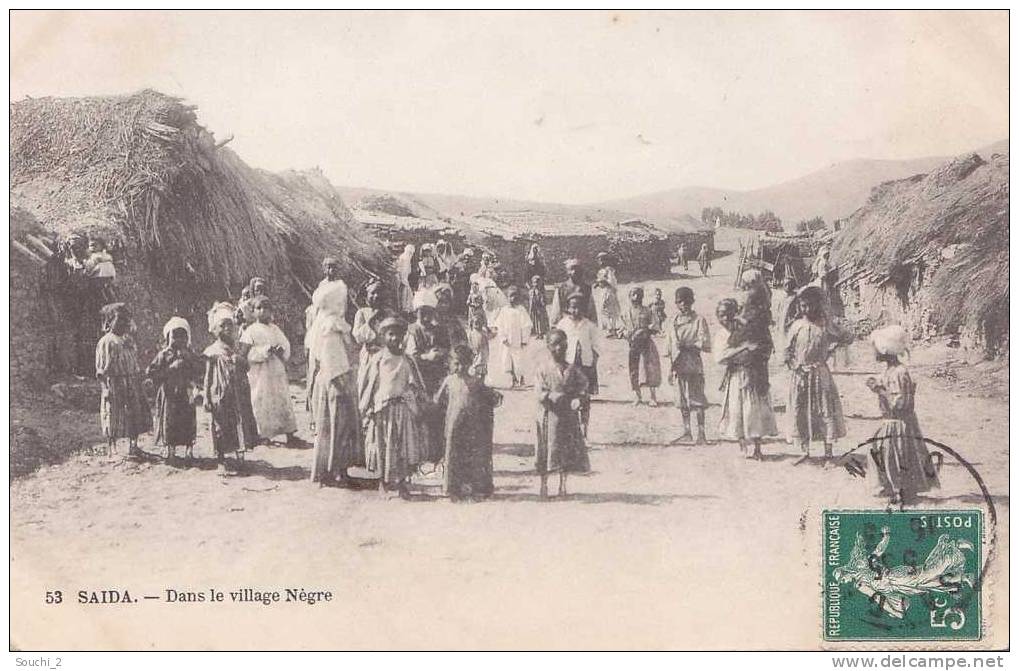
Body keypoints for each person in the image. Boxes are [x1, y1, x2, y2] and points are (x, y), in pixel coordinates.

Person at [866, 325, 940, 504]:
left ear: (886, 350)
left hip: (898, 422)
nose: (873, 352)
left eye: (875, 347)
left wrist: (879, 390)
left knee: (897, 454)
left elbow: (899, 402)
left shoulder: (899, 373)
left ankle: (900, 490)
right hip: (891, 420)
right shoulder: (890, 371)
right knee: (883, 452)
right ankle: (893, 487)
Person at [358, 317, 431, 497]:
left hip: (403, 409)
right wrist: (366, 407)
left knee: (403, 446)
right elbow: (368, 384)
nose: (395, 339)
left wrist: (417, 399)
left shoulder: (407, 360)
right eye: (391, 335)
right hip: (383, 409)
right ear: (383, 336)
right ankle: (383, 481)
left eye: (398, 335)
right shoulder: (378, 359)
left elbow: (416, 383)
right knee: (383, 445)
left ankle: (402, 483)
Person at [784, 285, 854, 459]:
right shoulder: (797, 326)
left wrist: (833, 347)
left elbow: (847, 336)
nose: (805, 309)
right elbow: (787, 351)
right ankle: (804, 451)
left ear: (817, 305)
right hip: (800, 375)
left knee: (824, 410)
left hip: (820, 374)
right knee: (801, 410)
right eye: (802, 305)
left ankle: (828, 452)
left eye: (809, 305)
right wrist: (795, 366)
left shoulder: (825, 326)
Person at [307, 279, 362, 486]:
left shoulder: (328, 323)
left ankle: (336, 469)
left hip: (336, 379)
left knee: (335, 428)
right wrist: (343, 385)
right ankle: (337, 470)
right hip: (335, 382)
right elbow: (331, 359)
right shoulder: (329, 326)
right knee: (337, 426)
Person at [434, 345, 502, 501]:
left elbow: (489, 398)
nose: (460, 367)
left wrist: (495, 396)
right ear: (450, 364)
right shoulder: (449, 381)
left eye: (464, 363)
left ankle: (476, 487)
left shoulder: (476, 382)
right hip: (453, 426)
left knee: (472, 456)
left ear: (470, 363)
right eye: (456, 363)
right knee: (452, 456)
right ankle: (452, 488)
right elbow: (438, 400)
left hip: (472, 428)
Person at [713, 299, 778, 459]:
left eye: (729, 315)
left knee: (753, 410)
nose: (725, 319)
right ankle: (742, 443)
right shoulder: (722, 335)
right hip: (735, 376)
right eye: (721, 315)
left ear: (736, 314)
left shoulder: (746, 329)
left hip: (752, 374)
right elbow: (720, 357)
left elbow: (761, 348)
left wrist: (751, 354)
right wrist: (743, 349)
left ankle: (757, 447)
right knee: (737, 411)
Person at [533, 328, 590, 498]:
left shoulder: (572, 369)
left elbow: (584, 386)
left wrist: (579, 399)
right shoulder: (542, 369)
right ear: (548, 347)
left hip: (566, 417)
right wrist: (550, 395)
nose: (559, 348)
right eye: (555, 344)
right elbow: (539, 392)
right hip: (549, 416)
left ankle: (562, 485)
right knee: (546, 450)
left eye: (562, 344)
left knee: (565, 451)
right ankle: (544, 485)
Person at [203, 303, 259, 475]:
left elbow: (247, 367)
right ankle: (222, 459)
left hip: (238, 394)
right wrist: (206, 397)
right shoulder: (212, 351)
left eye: (229, 325)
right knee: (221, 426)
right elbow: (208, 376)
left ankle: (240, 457)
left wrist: (239, 360)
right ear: (215, 329)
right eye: (222, 325)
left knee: (239, 424)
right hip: (220, 394)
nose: (227, 328)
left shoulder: (237, 349)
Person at [239, 296, 302, 447]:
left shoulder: (275, 329)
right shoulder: (251, 331)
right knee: (262, 400)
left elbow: (285, 344)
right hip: (260, 373)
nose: (263, 311)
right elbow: (244, 354)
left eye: (267, 308)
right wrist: (264, 351)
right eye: (259, 308)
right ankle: (264, 434)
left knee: (282, 398)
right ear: (253, 312)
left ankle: (289, 432)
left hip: (276, 370)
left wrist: (281, 350)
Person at [95, 302, 151, 457]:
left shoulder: (128, 341)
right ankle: (112, 448)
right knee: (113, 413)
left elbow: (134, 361)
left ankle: (134, 445)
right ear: (110, 321)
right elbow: (101, 370)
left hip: (131, 382)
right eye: (119, 320)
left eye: (125, 320)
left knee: (134, 412)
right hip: (115, 382)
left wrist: (138, 379)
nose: (123, 324)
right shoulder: (107, 341)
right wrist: (105, 388)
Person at [146, 317, 202, 463]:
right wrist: (171, 368)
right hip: (169, 395)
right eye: (174, 336)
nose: (178, 340)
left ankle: (189, 451)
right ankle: (170, 451)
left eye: (182, 336)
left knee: (187, 421)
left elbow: (199, 370)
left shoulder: (190, 354)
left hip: (185, 394)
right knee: (170, 421)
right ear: (167, 337)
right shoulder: (163, 355)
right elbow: (151, 372)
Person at [664, 287, 711, 444]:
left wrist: (689, 345)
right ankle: (687, 431)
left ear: (691, 301)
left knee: (697, 399)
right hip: (678, 364)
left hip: (693, 364)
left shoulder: (699, 320)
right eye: (679, 302)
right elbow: (669, 346)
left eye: (686, 301)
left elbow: (704, 342)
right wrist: (671, 367)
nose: (683, 304)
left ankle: (702, 433)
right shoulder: (673, 321)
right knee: (682, 399)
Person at [405, 304, 450, 463]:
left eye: (428, 313)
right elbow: (411, 356)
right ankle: (422, 452)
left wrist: (441, 353)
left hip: (436, 375)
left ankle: (436, 451)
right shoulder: (413, 331)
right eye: (421, 313)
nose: (425, 317)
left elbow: (447, 348)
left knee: (438, 410)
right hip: (419, 376)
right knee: (421, 412)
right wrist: (427, 356)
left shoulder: (439, 329)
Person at [554, 291, 601, 436]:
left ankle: (584, 429)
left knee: (584, 398)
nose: (576, 311)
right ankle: (571, 431)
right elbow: (556, 343)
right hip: (568, 366)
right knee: (568, 397)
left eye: (579, 308)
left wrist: (593, 362)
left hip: (585, 366)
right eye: (573, 307)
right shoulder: (563, 324)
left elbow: (596, 346)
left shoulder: (589, 325)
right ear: (568, 308)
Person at [622, 287, 661, 406]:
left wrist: (645, 330)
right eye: (633, 294)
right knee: (634, 369)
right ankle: (637, 395)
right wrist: (625, 333)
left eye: (639, 295)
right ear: (629, 297)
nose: (636, 297)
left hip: (646, 343)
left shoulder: (648, 311)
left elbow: (655, 326)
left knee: (650, 368)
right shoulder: (626, 312)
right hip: (633, 344)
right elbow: (621, 327)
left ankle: (653, 396)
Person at [493, 286, 533, 388]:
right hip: (507, 342)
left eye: (515, 296)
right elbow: (500, 326)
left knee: (519, 360)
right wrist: (503, 338)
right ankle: (513, 379)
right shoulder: (504, 310)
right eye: (510, 296)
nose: (512, 298)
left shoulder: (521, 310)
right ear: (507, 297)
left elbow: (526, 325)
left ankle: (522, 379)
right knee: (507, 360)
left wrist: (524, 339)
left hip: (517, 341)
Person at [549, 259, 597, 324]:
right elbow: (556, 309)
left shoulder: (587, 289)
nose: (574, 272)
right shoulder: (562, 288)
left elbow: (591, 310)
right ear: (567, 271)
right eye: (571, 269)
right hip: (566, 323)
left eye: (577, 269)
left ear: (581, 271)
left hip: (583, 323)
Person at [592, 252, 622, 337]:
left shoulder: (609, 270)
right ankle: (610, 328)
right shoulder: (601, 271)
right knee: (604, 311)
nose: (600, 262)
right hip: (603, 292)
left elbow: (612, 282)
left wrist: (603, 282)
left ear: (606, 260)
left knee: (610, 311)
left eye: (602, 260)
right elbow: (600, 281)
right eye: (599, 260)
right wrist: (597, 284)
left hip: (609, 292)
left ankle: (612, 329)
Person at [465, 311, 491, 380]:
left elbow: (486, 343)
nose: (477, 325)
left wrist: (486, 353)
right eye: (475, 323)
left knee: (481, 367)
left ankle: (482, 381)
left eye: (479, 323)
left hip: (482, 353)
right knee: (474, 367)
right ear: (472, 324)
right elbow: (469, 342)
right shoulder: (471, 333)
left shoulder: (483, 333)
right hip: (474, 352)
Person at [395, 243, 417, 314]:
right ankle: (403, 309)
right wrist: (403, 280)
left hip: (404, 278)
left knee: (406, 294)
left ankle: (405, 309)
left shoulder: (407, 258)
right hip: (402, 279)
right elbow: (401, 270)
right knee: (404, 294)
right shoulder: (404, 258)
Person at [528, 275, 550, 339]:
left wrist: (542, 302)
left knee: (541, 321)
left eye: (537, 282)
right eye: (534, 283)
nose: (536, 284)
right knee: (536, 321)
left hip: (541, 308)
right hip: (535, 308)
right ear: (532, 283)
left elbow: (544, 301)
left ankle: (542, 333)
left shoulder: (542, 292)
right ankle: (537, 333)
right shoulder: (531, 291)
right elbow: (530, 300)